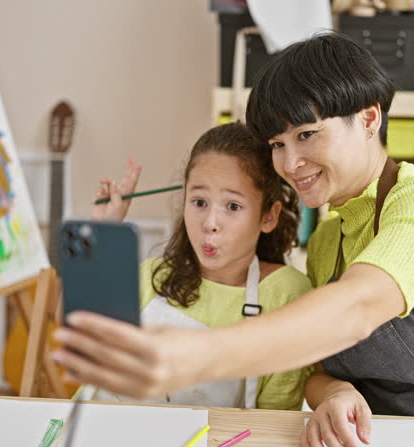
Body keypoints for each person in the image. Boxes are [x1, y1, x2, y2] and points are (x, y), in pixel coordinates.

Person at [53, 32, 414, 447]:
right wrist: (332, 395)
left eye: (306, 134)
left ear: (369, 119)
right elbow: (323, 366)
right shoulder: (326, 242)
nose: (290, 161)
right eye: (278, 143)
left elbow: (357, 309)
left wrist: (193, 358)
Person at [73, 122, 312, 410]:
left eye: (233, 206)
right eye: (199, 202)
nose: (210, 223)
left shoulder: (286, 295)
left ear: (268, 216)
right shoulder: (153, 276)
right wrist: (102, 233)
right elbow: (76, 337)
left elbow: (273, 421)